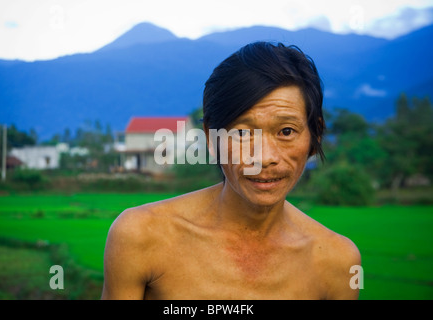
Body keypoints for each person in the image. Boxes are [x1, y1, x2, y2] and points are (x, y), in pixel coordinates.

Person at [101, 42, 361, 300]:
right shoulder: (141, 235)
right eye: (242, 133)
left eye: (286, 131)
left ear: (315, 134)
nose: (265, 158)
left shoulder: (338, 263)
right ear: (211, 137)